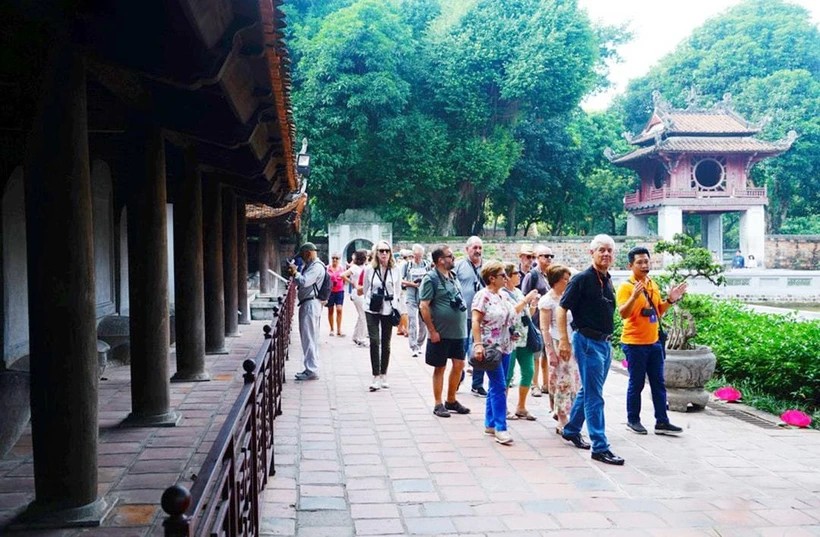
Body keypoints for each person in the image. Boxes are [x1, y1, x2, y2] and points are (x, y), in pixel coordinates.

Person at [557, 234, 624, 465]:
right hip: (587, 342)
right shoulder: (582, 279)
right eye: (601, 250)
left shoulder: (606, 279)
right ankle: (600, 446)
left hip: (605, 343)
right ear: (591, 253)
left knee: (590, 390)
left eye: (609, 250)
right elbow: (561, 309)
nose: (606, 254)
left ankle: (572, 428)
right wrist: (564, 341)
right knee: (595, 396)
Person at [617, 246, 688, 436]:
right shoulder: (626, 286)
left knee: (658, 382)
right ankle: (633, 420)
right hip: (634, 343)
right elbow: (623, 314)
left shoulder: (652, 284)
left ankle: (662, 421)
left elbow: (658, 311)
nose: (644, 265)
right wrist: (634, 296)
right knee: (637, 383)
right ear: (630, 265)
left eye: (646, 261)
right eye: (639, 262)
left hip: (654, 342)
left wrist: (671, 300)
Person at [472, 261, 539, 444]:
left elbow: (514, 312)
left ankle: (490, 423)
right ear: (492, 278)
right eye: (503, 275)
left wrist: (526, 304)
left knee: (496, 385)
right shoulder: (482, 296)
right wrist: (478, 344)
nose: (506, 278)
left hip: (506, 345)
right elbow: (476, 321)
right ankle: (501, 427)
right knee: (500, 385)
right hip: (490, 346)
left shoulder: (503, 296)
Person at [419, 245, 470, 418]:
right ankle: (438, 403)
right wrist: (432, 331)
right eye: (450, 256)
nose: (453, 258)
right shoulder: (431, 279)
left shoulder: (453, 277)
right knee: (440, 367)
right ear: (440, 260)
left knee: (459, 365)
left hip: (458, 331)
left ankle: (451, 399)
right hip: (441, 332)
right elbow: (424, 306)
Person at [539, 265, 580, 434]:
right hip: (557, 342)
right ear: (556, 281)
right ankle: (562, 417)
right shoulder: (548, 300)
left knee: (573, 380)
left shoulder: (568, 297)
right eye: (565, 279)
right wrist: (550, 352)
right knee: (561, 381)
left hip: (573, 340)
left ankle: (566, 411)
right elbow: (545, 328)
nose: (568, 282)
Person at [362, 241, 402, 392]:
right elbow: (366, 288)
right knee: (374, 340)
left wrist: (397, 308)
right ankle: (375, 375)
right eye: (381, 251)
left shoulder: (395, 270)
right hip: (372, 307)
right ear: (376, 253)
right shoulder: (369, 269)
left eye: (387, 251)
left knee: (386, 342)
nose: (384, 253)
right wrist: (371, 299)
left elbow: (398, 291)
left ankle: (384, 373)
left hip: (388, 307)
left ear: (390, 253)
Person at [501, 262, 537, 421]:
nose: (520, 275)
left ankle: (521, 406)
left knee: (529, 371)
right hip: (510, 337)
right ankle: (503, 406)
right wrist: (526, 299)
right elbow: (511, 312)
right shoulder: (502, 293)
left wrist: (533, 305)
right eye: (516, 273)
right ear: (507, 276)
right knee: (507, 374)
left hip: (524, 336)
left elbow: (526, 314)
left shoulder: (517, 291)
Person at [455, 236, 487, 397]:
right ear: (467, 249)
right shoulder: (459, 266)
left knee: (479, 347)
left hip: (481, 316)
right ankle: (457, 378)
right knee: (461, 348)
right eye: (475, 248)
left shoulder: (487, 267)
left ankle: (477, 383)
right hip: (462, 315)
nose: (478, 251)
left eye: (480, 248)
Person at [289, 243, 324, 381]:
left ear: (308, 253)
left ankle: (311, 369)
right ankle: (311, 367)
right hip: (309, 302)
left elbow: (304, 282)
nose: (302, 258)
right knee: (310, 337)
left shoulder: (316, 267)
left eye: (303, 255)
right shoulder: (311, 266)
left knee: (308, 337)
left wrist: (295, 272)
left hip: (310, 303)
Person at [522, 244, 554, 399]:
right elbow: (524, 296)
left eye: (550, 256)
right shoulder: (532, 275)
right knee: (536, 353)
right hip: (535, 319)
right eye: (545, 256)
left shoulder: (550, 275)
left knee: (547, 353)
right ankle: (534, 384)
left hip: (549, 320)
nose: (548, 259)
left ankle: (546, 383)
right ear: (537, 257)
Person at [402, 244, 431, 358]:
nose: (418, 258)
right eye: (416, 255)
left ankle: (419, 344)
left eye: (420, 255)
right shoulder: (407, 266)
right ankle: (413, 346)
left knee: (423, 321)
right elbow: (401, 280)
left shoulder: (426, 265)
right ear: (413, 255)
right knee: (412, 320)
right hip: (411, 295)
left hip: (423, 296)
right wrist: (412, 284)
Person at [341, 249, 368, 347]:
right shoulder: (355, 268)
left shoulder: (363, 267)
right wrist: (351, 282)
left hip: (361, 292)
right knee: (363, 316)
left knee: (361, 315)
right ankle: (361, 338)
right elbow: (342, 275)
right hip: (358, 293)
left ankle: (356, 336)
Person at [326, 253, 346, 336]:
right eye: (333, 258)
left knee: (339, 309)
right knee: (330, 310)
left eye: (336, 258)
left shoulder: (342, 268)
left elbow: (344, 279)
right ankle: (331, 329)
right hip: (330, 292)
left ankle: (339, 329)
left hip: (339, 291)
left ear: (339, 259)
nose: (335, 260)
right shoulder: (327, 268)